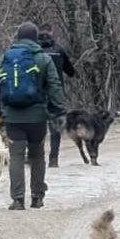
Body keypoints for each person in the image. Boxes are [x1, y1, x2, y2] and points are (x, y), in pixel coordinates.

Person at [0, 21, 66, 210]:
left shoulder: (5, 57)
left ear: (17, 36)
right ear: (35, 38)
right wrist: (58, 111)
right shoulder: (43, 59)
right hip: (38, 116)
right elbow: (55, 86)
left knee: (16, 156)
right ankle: (37, 197)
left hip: (13, 117)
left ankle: (18, 199)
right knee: (37, 154)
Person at [37, 23, 77, 167]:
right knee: (55, 126)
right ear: (51, 32)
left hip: (37, 94)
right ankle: (53, 159)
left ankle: (37, 156)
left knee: (37, 125)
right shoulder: (59, 50)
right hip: (56, 93)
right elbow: (71, 72)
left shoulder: (34, 51)